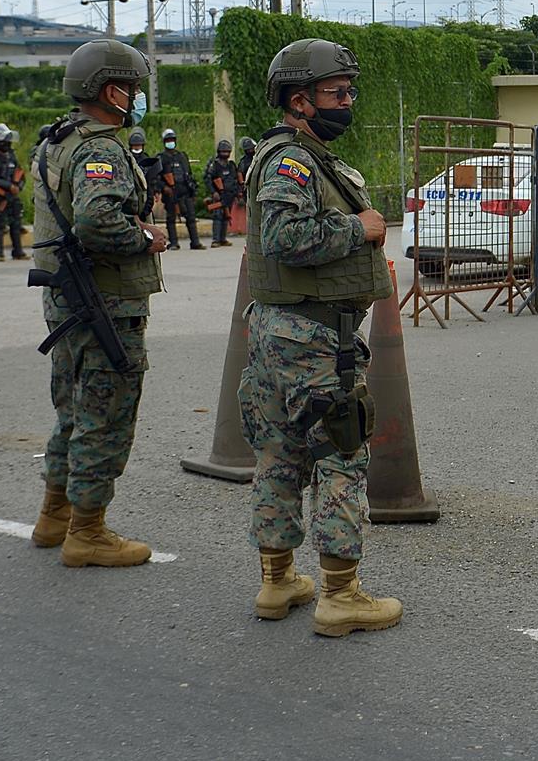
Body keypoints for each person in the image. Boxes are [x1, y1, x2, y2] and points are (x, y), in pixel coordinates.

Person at [242, 38, 401, 637]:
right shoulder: (293, 161)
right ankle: (341, 594)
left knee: (279, 455)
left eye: (349, 91)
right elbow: (285, 236)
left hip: (277, 334)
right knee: (340, 453)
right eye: (338, 93)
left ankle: (277, 580)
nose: (348, 102)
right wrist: (358, 227)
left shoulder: (300, 156)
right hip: (311, 337)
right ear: (300, 101)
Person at [28, 39, 168, 567]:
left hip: (68, 302)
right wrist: (146, 237)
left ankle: (54, 517)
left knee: (71, 410)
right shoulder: (102, 148)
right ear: (111, 90)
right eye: (131, 88)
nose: (135, 97)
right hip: (104, 302)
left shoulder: (55, 142)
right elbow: (96, 220)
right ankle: (87, 532)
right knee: (105, 416)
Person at [0, 122, 28, 261]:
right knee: (0, 224)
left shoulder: (11, 156)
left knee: (16, 223)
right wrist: (9, 187)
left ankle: (18, 252)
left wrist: (18, 186)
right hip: (0, 195)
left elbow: (20, 172)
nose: (8, 144)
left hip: (13, 195)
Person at [156, 128, 203, 251]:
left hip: (184, 190)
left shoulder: (182, 156)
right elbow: (156, 177)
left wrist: (193, 191)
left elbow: (189, 174)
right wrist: (164, 187)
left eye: (172, 140)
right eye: (168, 140)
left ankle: (195, 242)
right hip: (171, 193)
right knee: (171, 218)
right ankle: (174, 243)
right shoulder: (161, 158)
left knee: (191, 217)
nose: (170, 142)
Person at [205, 138, 242, 248]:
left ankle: (223, 239)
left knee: (226, 216)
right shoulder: (215, 165)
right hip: (219, 195)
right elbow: (208, 179)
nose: (225, 154)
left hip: (229, 195)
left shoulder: (231, 165)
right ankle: (216, 240)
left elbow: (235, 180)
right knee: (218, 217)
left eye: (227, 152)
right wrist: (213, 192)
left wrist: (237, 193)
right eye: (223, 151)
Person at [128, 128, 164, 224]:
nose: (137, 147)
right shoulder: (126, 158)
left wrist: (157, 191)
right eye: (135, 145)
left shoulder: (147, 159)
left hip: (145, 199)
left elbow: (152, 179)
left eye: (139, 145)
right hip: (129, 198)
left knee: (150, 228)